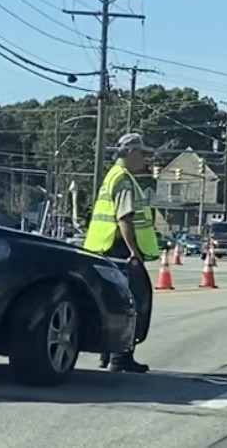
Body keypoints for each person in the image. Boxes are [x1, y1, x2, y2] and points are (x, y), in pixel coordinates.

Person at [82, 133, 162, 373]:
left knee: (110, 299)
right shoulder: (124, 179)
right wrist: (134, 253)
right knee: (130, 302)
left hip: (102, 247)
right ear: (130, 153)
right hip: (118, 249)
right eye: (142, 153)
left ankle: (107, 353)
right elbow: (124, 218)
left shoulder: (112, 175)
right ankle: (121, 357)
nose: (145, 158)